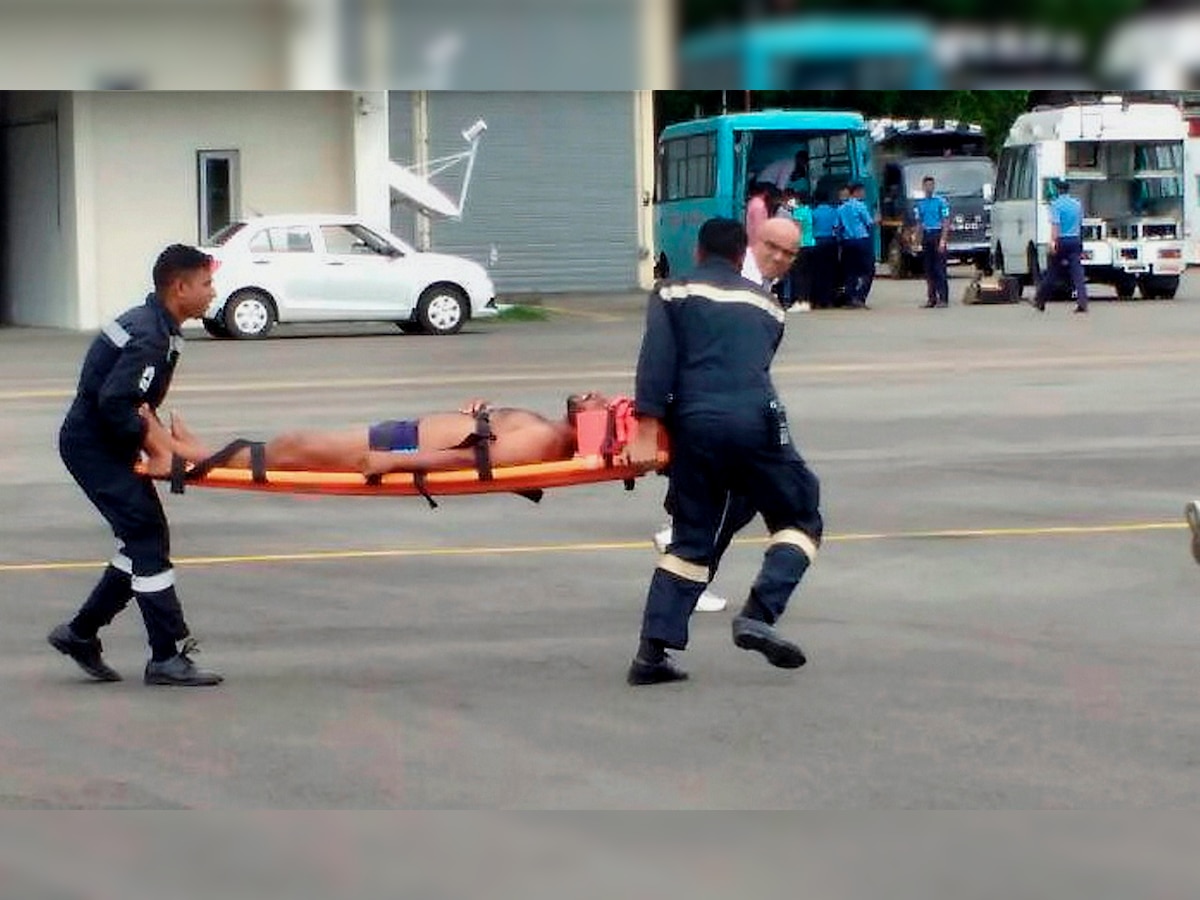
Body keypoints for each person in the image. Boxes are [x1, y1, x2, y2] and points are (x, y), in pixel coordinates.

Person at [624, 217, 824, 686]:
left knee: (692, 538)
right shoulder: (771, 308)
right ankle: (759, 612)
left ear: (697, 253)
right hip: (757, 424)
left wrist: (648, 428)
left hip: (696, 427)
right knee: (800, 516)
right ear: (743, 256)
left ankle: (651, 655)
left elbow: (657, 361)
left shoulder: (671, 293)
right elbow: (754, 367)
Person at [49, 244, 224, 687]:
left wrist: (156, 443)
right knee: (146, 538)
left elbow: (135, 404)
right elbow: (116, 403)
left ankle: (80, 633)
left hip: (103, 442)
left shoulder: (156, 325)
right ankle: (165, 655)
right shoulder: (151, 335)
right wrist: (157, 449)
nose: (212, 292)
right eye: (206, 284)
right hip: (95, 446)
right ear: (179, 287)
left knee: (143, 538)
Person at [658, 216, 803, 614]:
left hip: (728, 410)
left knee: (737, 500)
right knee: (736, 500)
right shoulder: (738, 282)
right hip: (708, 412)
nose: (779, 257)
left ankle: (684, 549)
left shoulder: (765, 288)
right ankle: (691, 575)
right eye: (772, 247)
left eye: (789, 253)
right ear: (753, 242)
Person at [146, 392, 612, 479]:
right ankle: (195, 453)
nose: (593, 396)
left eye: (601, 404)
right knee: (293, 448)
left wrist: (396, 462)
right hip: (403, 435)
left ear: (595, 427)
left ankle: (181, 459)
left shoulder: (544, 442)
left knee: (294, 448)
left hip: (402, 446)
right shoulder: (547, 431)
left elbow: (472, 463)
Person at [1034, 179, 1089, 314]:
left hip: (1062, 240)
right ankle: (1082, 302)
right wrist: (1081, 245)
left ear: (1058, 190)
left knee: (1052, 272)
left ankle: (1040, 300)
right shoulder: (1077, 204)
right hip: (1075, 240)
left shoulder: (1056, 205)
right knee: (1077, 273)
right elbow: (1080, 224)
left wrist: (1053, 242)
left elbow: (1056, 225)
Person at [914, 175, 951, 308]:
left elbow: (946, 221)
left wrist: (943, 240)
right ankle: (931, 298)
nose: (929, 188)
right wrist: (916, 241)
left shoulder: (941, 202)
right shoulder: (920, 204)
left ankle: (944, 298)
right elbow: (919, 223)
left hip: (937, 234)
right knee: (928, 270)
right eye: (927, 185)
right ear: (923, 187)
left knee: (939, 269)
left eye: (931, 185)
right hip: (926, 235)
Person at [838, 182, 875, 310]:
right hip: (861, 240)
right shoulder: (860, 206)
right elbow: (869, 223)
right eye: (862, 191)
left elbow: (838, 227)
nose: (864, 194)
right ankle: (860, 297)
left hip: (847, 242)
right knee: (868, 270)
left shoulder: (841, 208)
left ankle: (850, 298)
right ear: (857, 192)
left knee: (850, 271)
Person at [809, 188, 842, 310]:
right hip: (831, 242)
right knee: (831, 272)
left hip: (817, 242)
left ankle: (817, 301)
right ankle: (829, 300)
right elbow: (837, 227)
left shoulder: (814, 212)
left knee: (817, 272)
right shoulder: (834, 211)